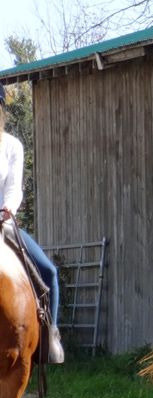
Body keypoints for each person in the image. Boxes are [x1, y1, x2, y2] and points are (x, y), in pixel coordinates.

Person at [0, 105, 64, 363]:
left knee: (48, 272)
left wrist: (8, 208)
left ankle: (50, 338)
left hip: (3, 222)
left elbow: (14, 188)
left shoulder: (12, 146)